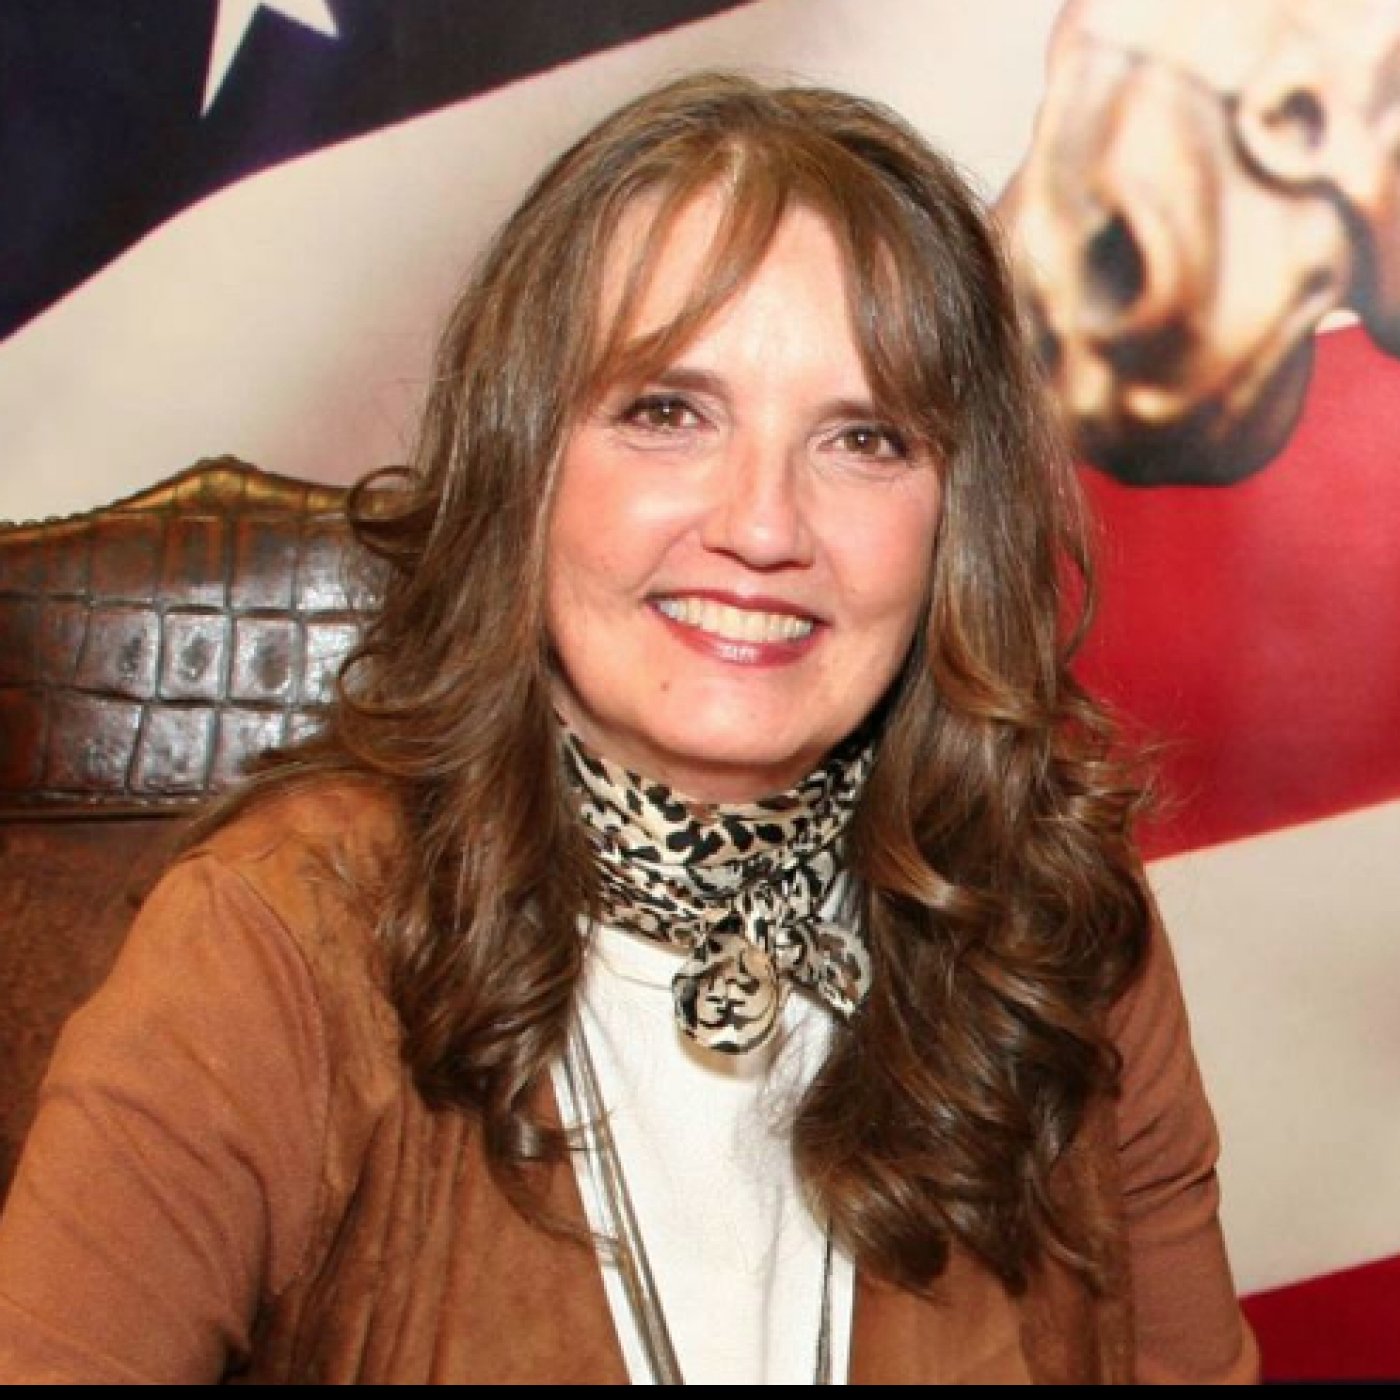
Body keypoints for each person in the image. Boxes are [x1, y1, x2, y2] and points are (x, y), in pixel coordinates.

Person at [0, 72, 1258, 1384]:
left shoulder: (1057, 912)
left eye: (865, 438)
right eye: (668, 413)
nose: (762, 526)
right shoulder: (273, 940)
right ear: (524, 466)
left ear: (957, 520)